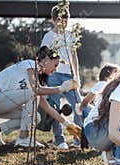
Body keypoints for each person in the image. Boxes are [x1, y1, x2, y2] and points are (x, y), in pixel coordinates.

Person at [0, 46, 81, 147]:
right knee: (33, 94)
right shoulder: (30, 64)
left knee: (36, 117)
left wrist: (68, 124)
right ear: (47, 59)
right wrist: (61, 88)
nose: (55, 69)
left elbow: (47, 108)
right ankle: (24, 138)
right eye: (55, 65)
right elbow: (36, 90)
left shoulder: (37, 80)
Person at [41, 4, 82, 149]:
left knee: (79, 105)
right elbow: (42, 57)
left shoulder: (70, 35)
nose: (63, 23)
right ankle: (60, 140)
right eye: (59, 20)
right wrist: (43, 78)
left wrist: (76, 76)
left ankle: (78, 138)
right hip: (53, 75)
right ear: (53, 20)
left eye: (66, 19)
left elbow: (74, 56)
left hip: (68, 75)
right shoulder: (48, 36)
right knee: (55, 108)